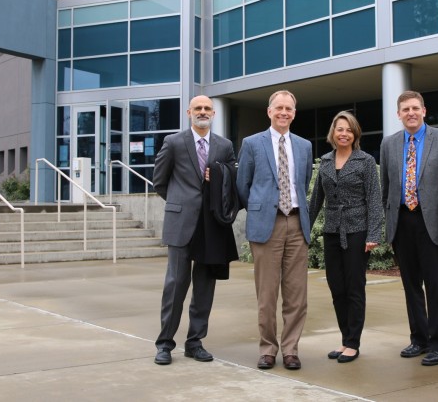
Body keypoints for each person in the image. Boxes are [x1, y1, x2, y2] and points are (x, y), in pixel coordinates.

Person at [153, 95, 237, 365]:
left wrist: (221, 173)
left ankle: (195, 342)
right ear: (189, 112)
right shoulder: (174, 142)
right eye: (198, 108)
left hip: (211, 226)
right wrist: (180, 204)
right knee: (176, 285)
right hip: (181, 224)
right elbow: (160, 182)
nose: (203, 112)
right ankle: (165, 343)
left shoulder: (224, 145)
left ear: (213, 113)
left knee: (204, 287)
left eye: (207, 108)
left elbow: (234, 178)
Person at [379, 90, 438, 366]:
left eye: (415, 108)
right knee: (411, 285)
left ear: (424, 110)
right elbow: (385, 187)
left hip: (433, 222)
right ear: (398, 114)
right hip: (402, 221)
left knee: (436, 286)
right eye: (405, 109)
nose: (410, 113)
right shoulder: (389, 144)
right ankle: (419, 339)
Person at [236, 90, 313, 371]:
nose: (284, 113)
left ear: (294, 113)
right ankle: (268, 348)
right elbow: (242, 185)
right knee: (266, 294)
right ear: (269, 111)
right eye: (279, 108)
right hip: (265, 225)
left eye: (289, 109)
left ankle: (291, 349)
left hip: (296, 223)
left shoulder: (304, 146)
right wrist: (260, 208)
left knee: (296, 294)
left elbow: (303, 183)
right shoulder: (252, 143)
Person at [308, 111, 383, 363]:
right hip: (331, 231)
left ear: (355, 134)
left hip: (357, 232)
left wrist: (373, 233)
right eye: (340, 129)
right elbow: (316, 199)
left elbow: (374, 199)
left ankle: (353, 343)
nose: (344, 133)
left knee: (354, 288)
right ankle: (344, 339)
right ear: (333, 132)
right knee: (337, 288)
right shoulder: (326, 162)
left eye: (349, 130)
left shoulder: (365, 161)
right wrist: (302, 230)